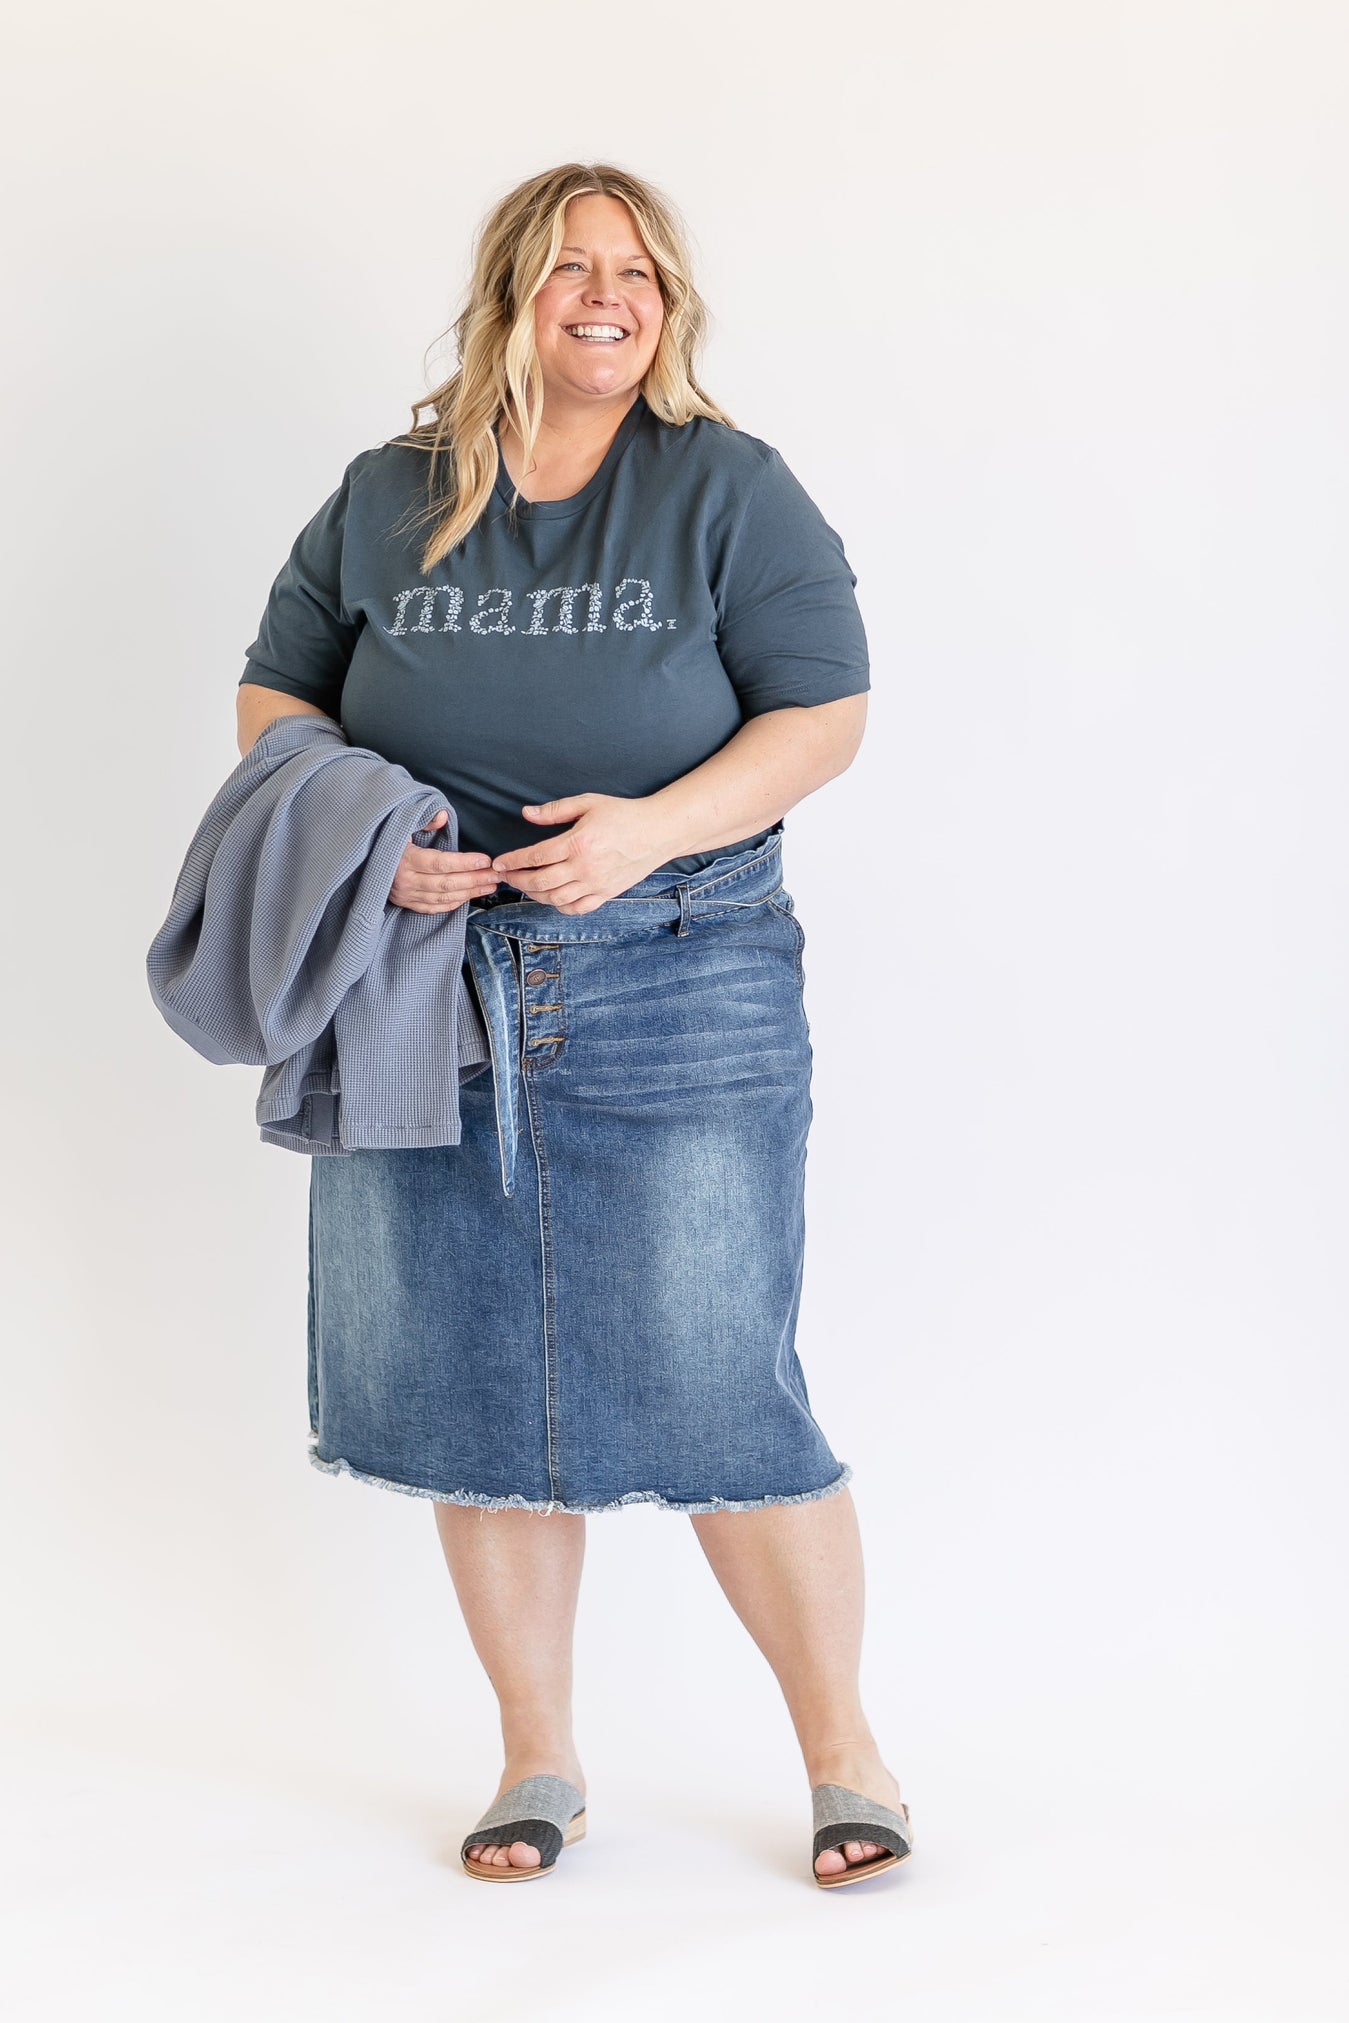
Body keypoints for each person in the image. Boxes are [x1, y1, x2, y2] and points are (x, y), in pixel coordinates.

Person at [235, 162, 909, 1890]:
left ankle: (844, 1753)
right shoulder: (388, 495)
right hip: (422, 979)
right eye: (566, 269)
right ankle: (535, 1757)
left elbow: (821, 716)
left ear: (665, 305)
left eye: (634, 272)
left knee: (717, 1371)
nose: (604, 296)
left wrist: (647, 833)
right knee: (468, 1374)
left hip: (679, 963)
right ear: (507, 298)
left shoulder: (726, 487)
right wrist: (365, 838)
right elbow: (278, 693)